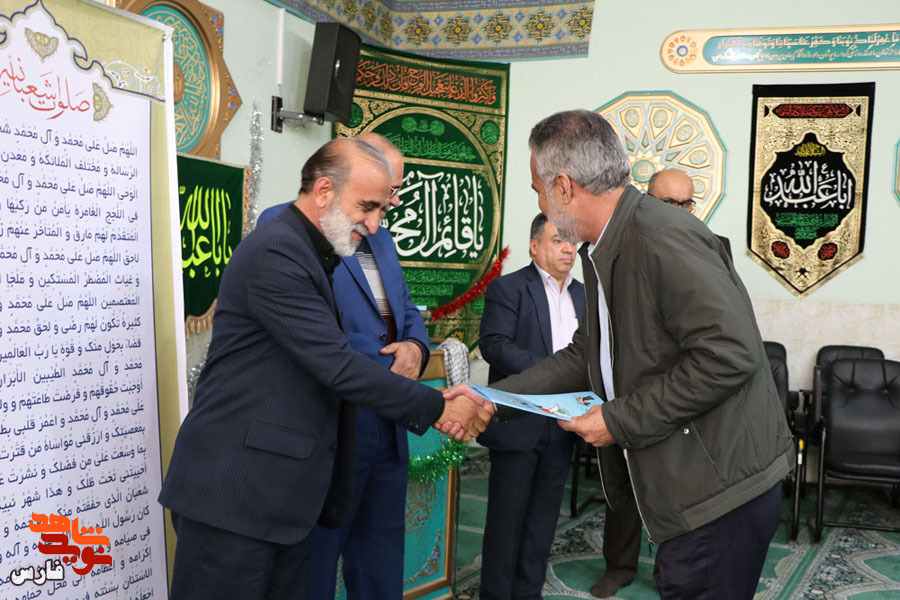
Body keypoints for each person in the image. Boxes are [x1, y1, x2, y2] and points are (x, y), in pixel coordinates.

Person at [446, 110, 793, 600]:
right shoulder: (608, 245)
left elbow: (730, 355)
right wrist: (492, 398)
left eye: (538, 190)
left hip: (721, 488)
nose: (540, 202)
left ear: (563, 187)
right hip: (692, 481)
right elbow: (585, 354)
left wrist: (617, 419)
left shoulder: (660, 237)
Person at [159, 137, 492, 600]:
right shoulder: (277, 249)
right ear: (323, 191)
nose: (375, 224)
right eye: (367, 207)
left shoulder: (316, 248)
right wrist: (438, 406)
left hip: (287, 496)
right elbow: (336, 364)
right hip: (235, 494)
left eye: (382, 209)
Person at [257, 133, 428, 600]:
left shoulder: (382, 236)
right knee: (315, 564)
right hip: (335, 427)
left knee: (379, 560)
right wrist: (431, 404)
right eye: (386, 191)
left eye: (393, 193)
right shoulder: (289, 229)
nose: (391, 204)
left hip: (387, 427)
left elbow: (404, 308)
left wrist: (415, 346)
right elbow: (316, 337)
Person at [477, 214, 584, 600]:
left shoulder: (585, 294)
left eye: (572, 241)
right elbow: (495, 344)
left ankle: (528, 593)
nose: (568, 249)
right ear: (534, 246)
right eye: (558, 240)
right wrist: (552, 374)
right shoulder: (508, 288)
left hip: (563, 423)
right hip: (519, 422)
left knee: (542, 522)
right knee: (506, 523)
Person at [647, 168, 732, 258]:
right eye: (670, 203)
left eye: (686, 204)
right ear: (648, 201)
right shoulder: (637, 243)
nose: (679, 211)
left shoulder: (716, 248)